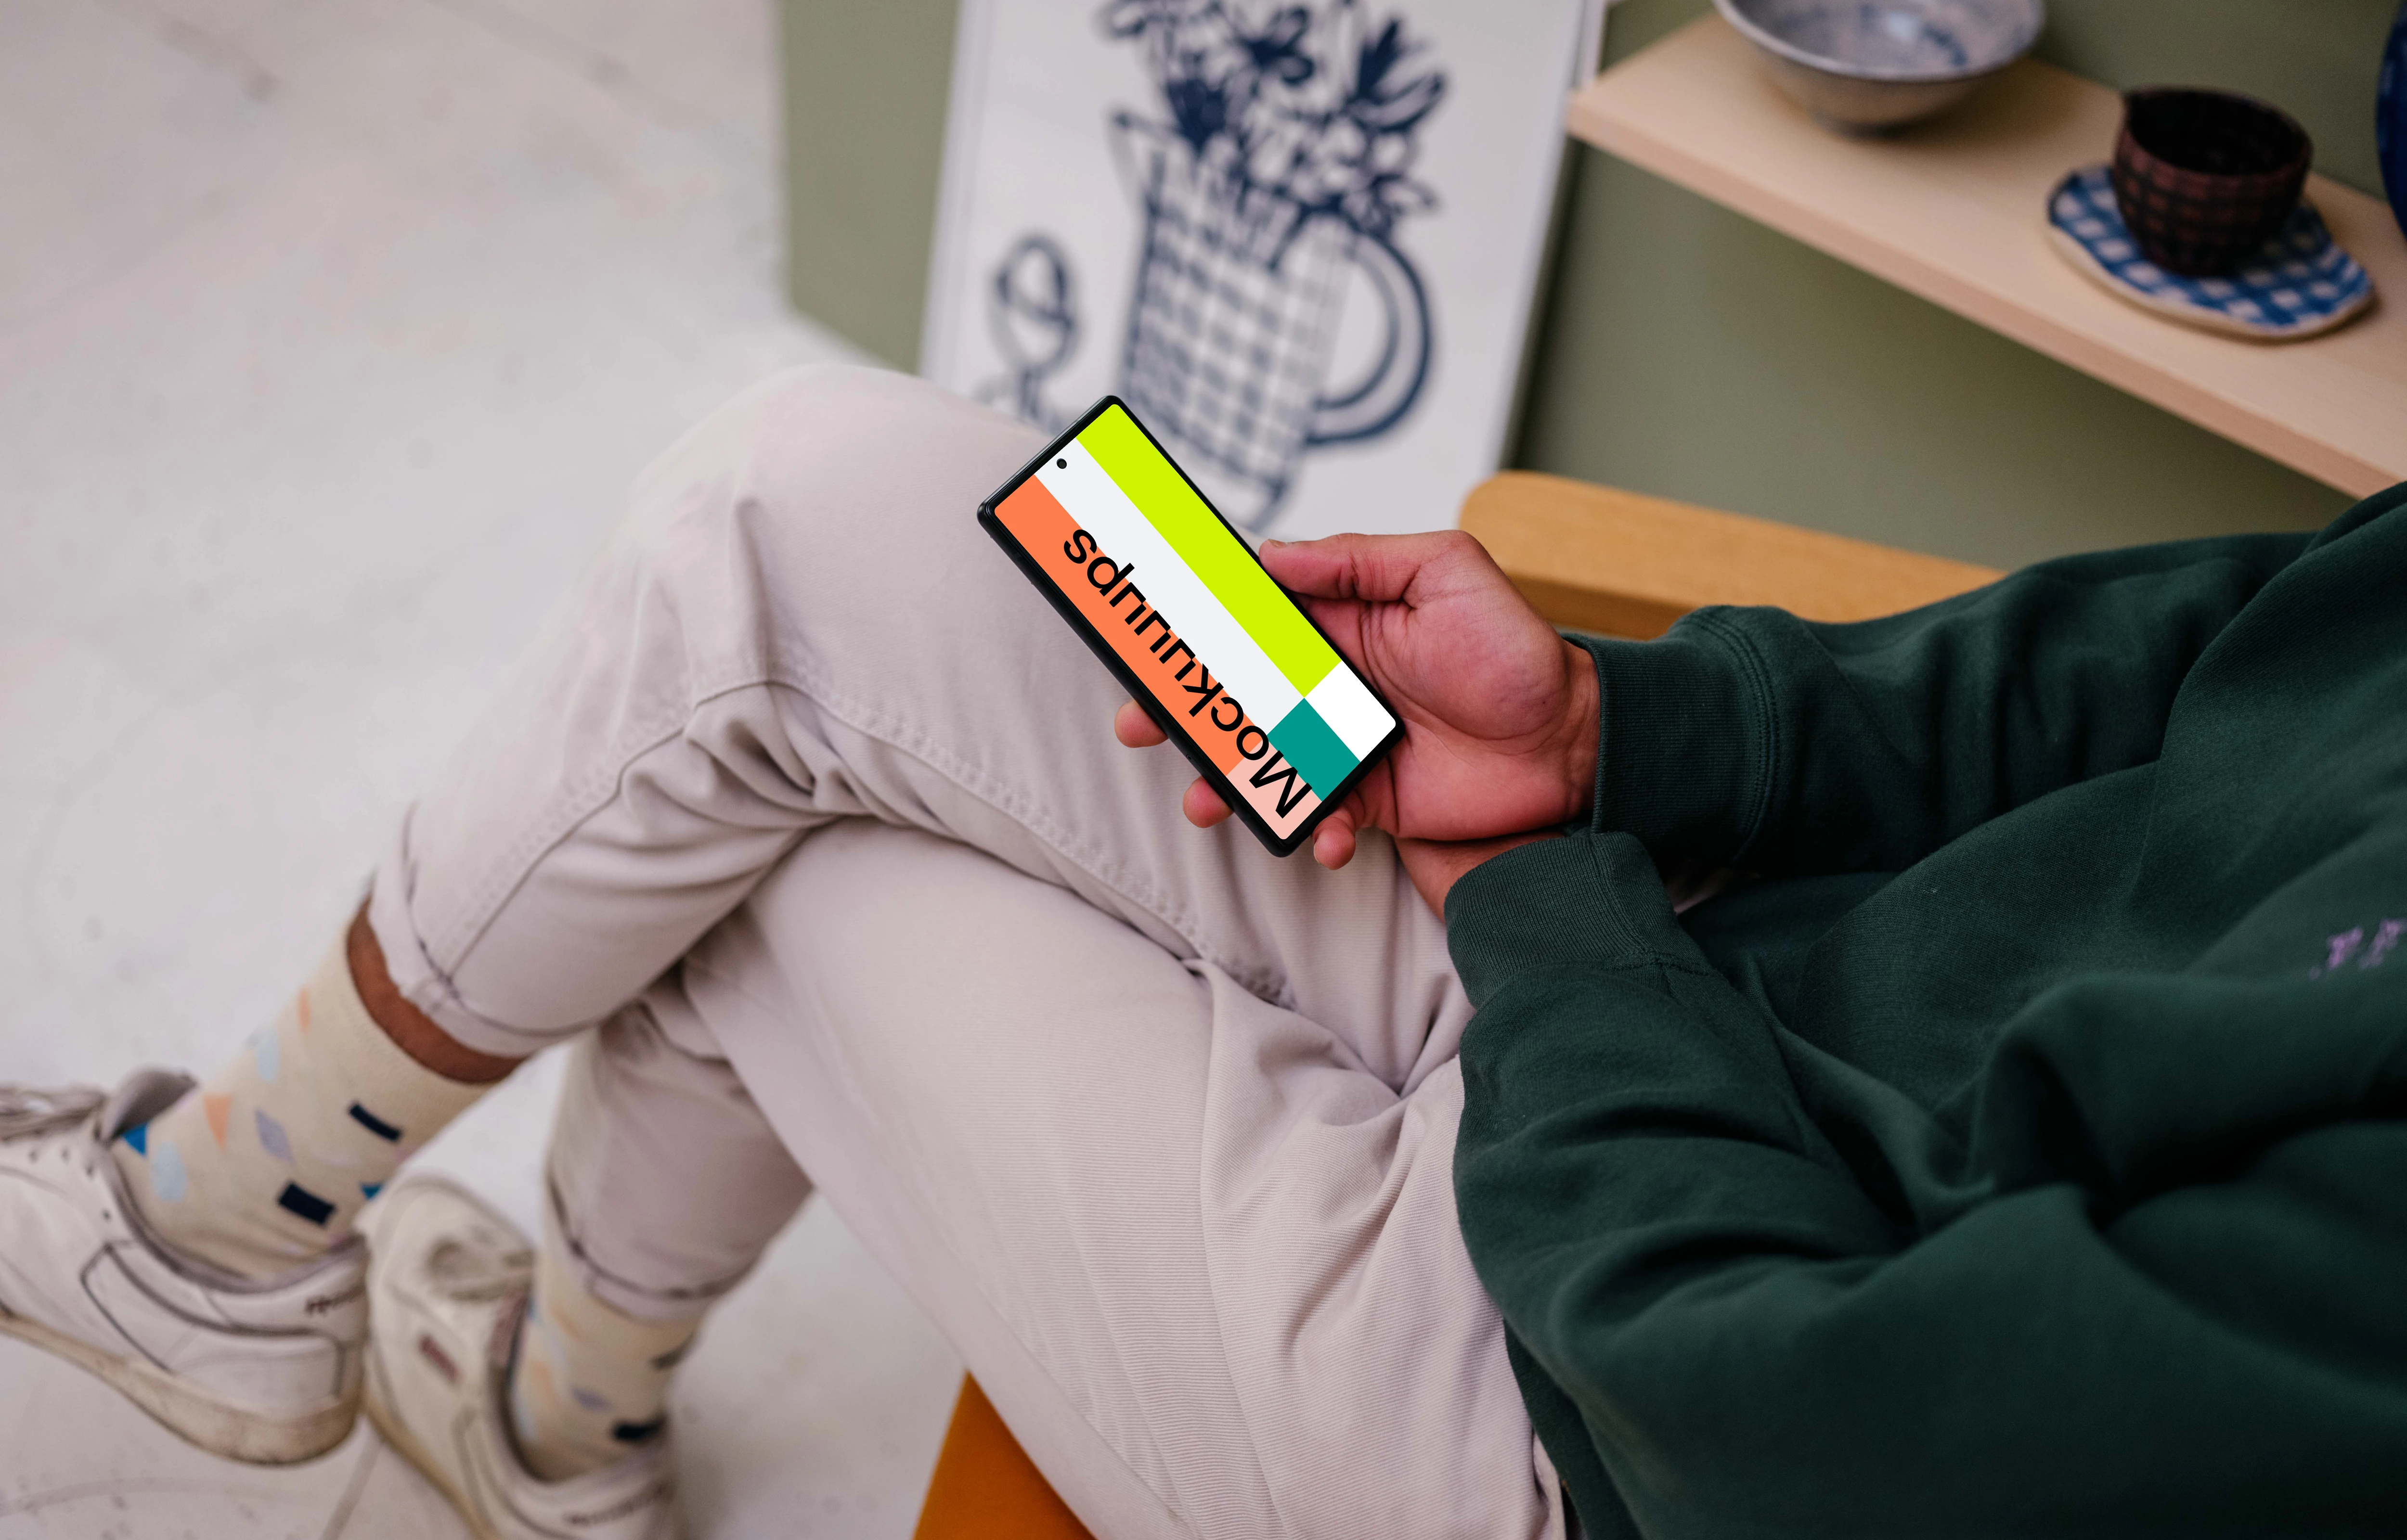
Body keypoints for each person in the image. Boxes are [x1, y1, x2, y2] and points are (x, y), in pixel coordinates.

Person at [1, 366, 2400, 1540]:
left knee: (772, 863)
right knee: (803, 501)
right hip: (1678, 963)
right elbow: (2208, 651)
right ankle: (237, 1234)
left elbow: (1818, 1419)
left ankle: (514, 1408)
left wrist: (1539, 912)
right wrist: (1622, 721)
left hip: (1597, 1405)